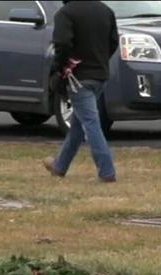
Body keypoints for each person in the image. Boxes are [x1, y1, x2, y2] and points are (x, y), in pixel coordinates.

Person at [43, 0, 118, 183]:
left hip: (78, 78)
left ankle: (106, 172)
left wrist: (59, 69)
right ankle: (59, 166)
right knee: (78, 124)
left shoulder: (66, 13)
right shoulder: (105, 10)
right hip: (100, 75)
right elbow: (114, 41)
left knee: (91, 124)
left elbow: (62, 44)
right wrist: (100, 61)